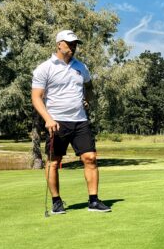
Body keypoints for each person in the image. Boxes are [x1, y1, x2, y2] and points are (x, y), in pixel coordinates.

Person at [31, 30, 111, 214]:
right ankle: (56, 201)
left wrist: (88, 99)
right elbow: (36, 97)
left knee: (90, 158)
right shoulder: (45, 68)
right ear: (59, 44)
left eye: (75, 43)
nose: (73, 46)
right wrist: (48, 119)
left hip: (80, 120)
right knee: (53, 162)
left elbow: (89, 87)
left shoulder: (81, 67)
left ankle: (93, 200)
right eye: (69, 43)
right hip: (57, 121)